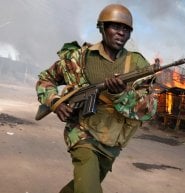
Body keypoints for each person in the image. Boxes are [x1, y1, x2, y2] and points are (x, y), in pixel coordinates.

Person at [35, 3, 157, 193]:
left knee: (79, 187)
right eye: (116, 27)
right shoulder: (79, 57)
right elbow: (46, 79)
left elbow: (149, 110)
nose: (121, 33)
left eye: (126, 29)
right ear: (102, 27)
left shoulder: (137, 64)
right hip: (82, 134)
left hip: (113, 141)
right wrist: (54, 102)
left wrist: (120, 94)